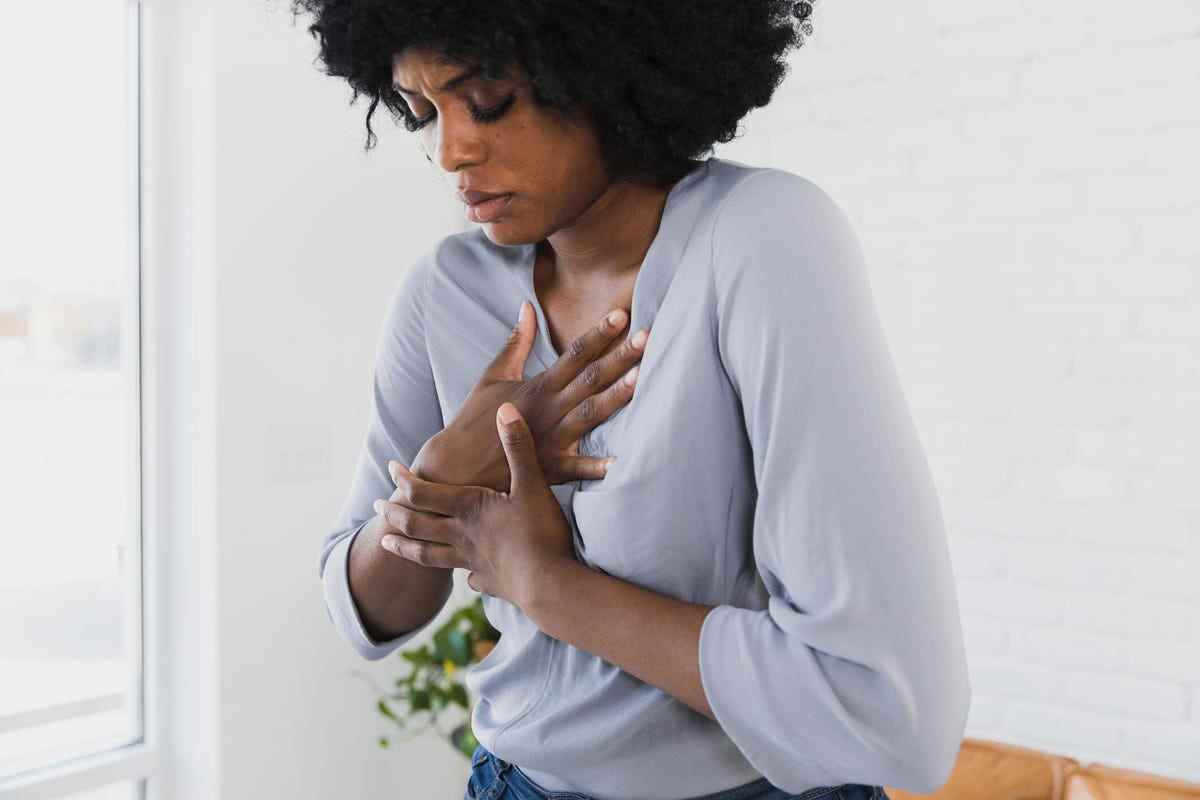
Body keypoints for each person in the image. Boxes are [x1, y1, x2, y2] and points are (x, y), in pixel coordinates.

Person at [292, 2, 971, 799]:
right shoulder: (445, 291)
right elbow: (365, 612)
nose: (450, 151)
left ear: (598, 69)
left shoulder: (760, 238)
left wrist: (542, 582)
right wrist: (442, 481)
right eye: (421, 112)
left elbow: (893, 722)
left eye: (488, 101)